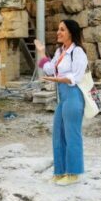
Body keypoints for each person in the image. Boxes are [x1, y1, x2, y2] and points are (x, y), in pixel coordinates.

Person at [35, 19, 88, 186]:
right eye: (58, 29)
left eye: (62, 29)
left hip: (73, 95)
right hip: (62, 96)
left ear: (71, 32)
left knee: (72, 135)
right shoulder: (60, 52)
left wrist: (57, 79)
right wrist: (42, 52)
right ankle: (60, 172)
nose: (58, 32)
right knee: (58, 134)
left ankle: (73, 173)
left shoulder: (78, 52)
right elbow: (49, 68)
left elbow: (76, 77)